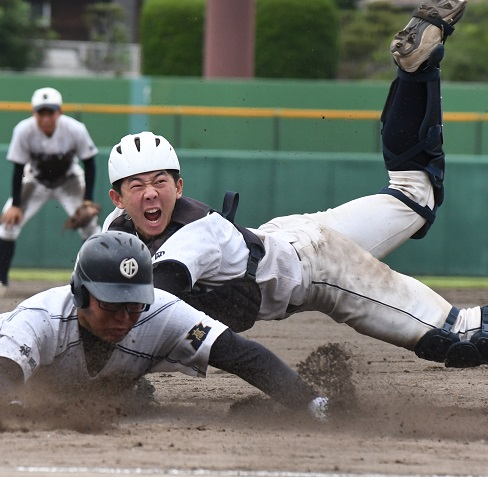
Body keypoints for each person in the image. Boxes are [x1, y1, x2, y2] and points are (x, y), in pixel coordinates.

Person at [104, 0, 483, 368]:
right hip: (289, 235)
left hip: (318, 268)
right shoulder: (113, 231)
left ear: (180, 186)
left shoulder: (193, 234)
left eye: (159, 182)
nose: (151, 192)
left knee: (455, 331)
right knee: (414, 193)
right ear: (116, 199)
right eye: (136, 186)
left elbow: (153, 297)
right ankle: (414, 72)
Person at [0, 230, 328, 421]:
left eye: (134, 304)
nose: (124, 317)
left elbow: (239, 354)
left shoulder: (159, 312)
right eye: (111, 304)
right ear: (80, 294)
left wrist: (313, 404)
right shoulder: (41, 318)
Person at [0, 87, 101, 297]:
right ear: (33, 113)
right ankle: (1, 282)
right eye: (41, 112)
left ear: (59, 112)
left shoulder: (75, 129)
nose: (46, 118)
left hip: (69, 181)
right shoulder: (24, 130)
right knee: (7, 224)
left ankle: (95, 281)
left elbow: (90, 163)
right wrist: (16, 204)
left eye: (50, 112)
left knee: (91, 225)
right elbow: (18, 167)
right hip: (36, 181)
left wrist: (88, 200)